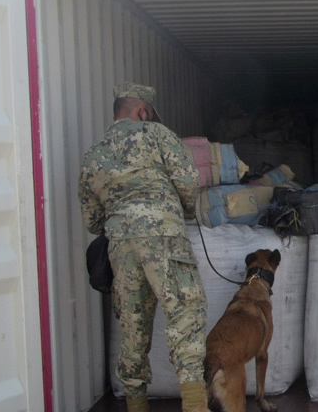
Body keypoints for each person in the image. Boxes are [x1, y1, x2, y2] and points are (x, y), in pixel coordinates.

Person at [78, 82, 208, 412]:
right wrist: (183, 210)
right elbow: (188, 181)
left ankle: (136, 406)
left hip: (120, 247)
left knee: (133, 330)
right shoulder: (157, 135)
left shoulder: (94, 154)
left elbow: (93, 220)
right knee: (186, 319)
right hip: (163, 237)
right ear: (143, 111)